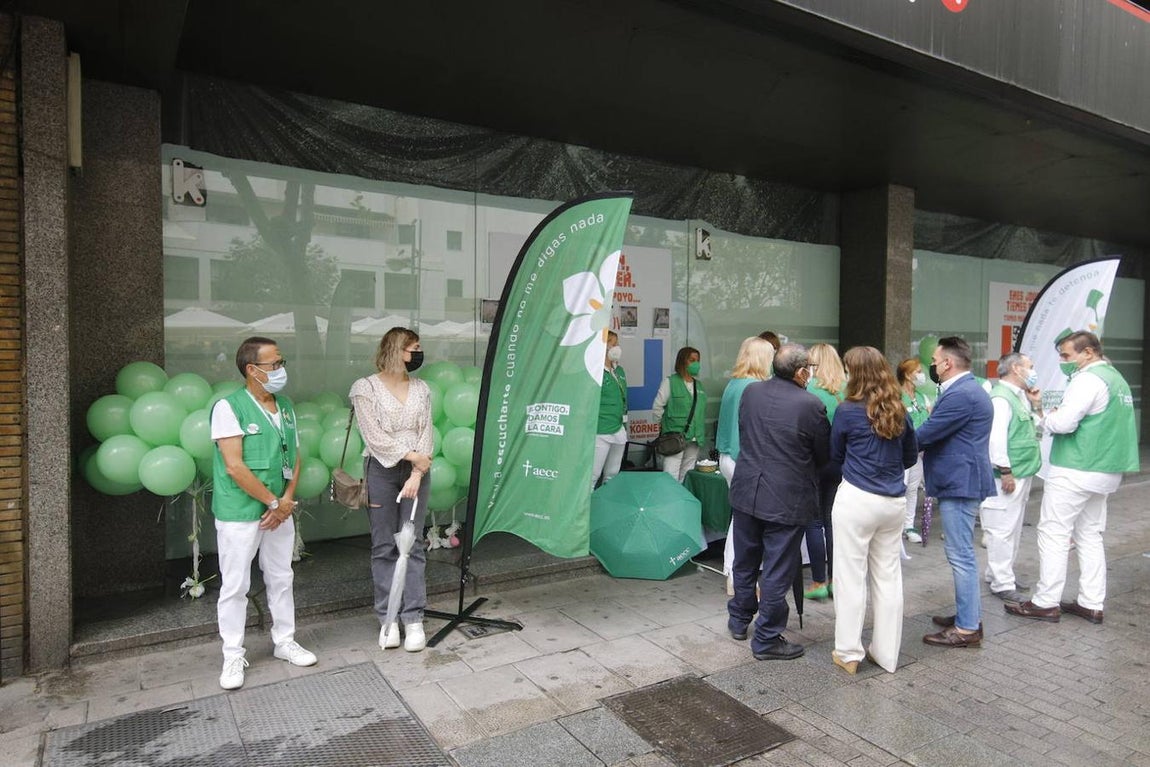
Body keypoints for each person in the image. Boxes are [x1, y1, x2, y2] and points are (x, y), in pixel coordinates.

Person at [1006, 331, 1139, 624]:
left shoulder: (1087, 380)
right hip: (1105, 469)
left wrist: (1045, 416)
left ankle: (1045, 601)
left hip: (1076, 467)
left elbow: (1064, 423)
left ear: (1088, 352)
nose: (1063, 361)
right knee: (1090, 535)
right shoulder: (1115, 378)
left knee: (1054, 532)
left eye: (1067, 355)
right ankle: (1091, 602)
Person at [211, 336, 317, 690]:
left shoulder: (284, 405)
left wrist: (286, 499)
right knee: (236, 584)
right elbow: (235, 467)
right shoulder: (229, 407)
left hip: (279, 509)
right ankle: (232, 655)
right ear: (252, 370)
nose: (281, 370)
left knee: (280, 576)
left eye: (282, 362)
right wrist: (274, 503)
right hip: (241, 511)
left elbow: (294, 455)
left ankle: (284, 641)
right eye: (275, 365)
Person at [727, 344, 830, 661]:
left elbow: (746, 434)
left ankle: (739, 619)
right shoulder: (811, 405)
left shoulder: (752, 393)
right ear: (801, 372)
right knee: (776, 569)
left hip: (748, 490)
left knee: (745, 561)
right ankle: (767, 638)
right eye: (809, 369)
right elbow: (824, 455)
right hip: (785, 499)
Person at [830, 346, 918, 674]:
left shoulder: (846, 411)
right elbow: (910, 457)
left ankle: (849, 653)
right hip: (893, 503)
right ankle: (887, 654)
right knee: (888, 578)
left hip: (856, 499)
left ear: (856, 374)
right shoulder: (900, 410)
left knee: (851, 577)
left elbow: (835, 454)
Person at [349, 327, 435, 652]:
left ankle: (413, 618)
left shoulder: (422, 388)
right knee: (384, 544)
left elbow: (427, 430)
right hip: (381, 471)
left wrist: (417, 471)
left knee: (412, 543)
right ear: (398, 350)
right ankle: (388, 618)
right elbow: (373, 436)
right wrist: (413, 457)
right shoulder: (365, 388)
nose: (418, 353)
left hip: (417, 472)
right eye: (414, 348)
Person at [915, 336, 996, 648]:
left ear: (948, 363)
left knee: (960, 555)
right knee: (962, 554)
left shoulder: (961, 394)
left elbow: (927, 433)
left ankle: (966, 628)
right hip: (960, 480)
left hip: (960, 483)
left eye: (935, 361)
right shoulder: (966, 390)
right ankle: (968, 614)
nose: (932, 365)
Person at [981, 352, 1042, 603]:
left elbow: (1035, 426)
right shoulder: (1000, 399)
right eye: (1030, 366)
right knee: (1000, 529)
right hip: (1006, 476)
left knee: (1012, 528)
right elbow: (995, 441)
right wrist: (1005, 471)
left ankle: (999, 573)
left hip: (1022, 472)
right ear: (1016, 369)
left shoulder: (1019, 397)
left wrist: (1036, 404)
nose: (1033, 371)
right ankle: (1001, 582)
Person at [716, 337, 775, 591]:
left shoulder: (734, 383)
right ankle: (738, 577)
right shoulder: (754, 387)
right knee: (746, 523)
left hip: (728, 456)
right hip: (745, 460)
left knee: (739, 520)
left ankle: (734, 573)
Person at [803, 343, 846, 600]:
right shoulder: (847, 390)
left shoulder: (809, 391)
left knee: (814, 522)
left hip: (813, 464)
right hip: (839, 464)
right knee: (832, 521)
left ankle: (819, 581)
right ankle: (836, 580)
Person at [652, 346, 707, 482]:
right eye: (692, 360)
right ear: (683, 361)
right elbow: (657, 407)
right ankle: (669, 502)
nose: (696, 363)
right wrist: (663, 426)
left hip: (695, 439)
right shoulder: (669, 382)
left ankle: (682, 502)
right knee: (670, 476)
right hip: (674, 438)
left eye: (698, 360)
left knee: (686, 475)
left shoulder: (699, 386)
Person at [897, 358, 931, 543]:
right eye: (917, 371)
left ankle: (908, 525)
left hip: (919, 452)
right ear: (907, 375)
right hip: (902, 451)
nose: (921, 375)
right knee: (900, 487)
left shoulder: (921, 397)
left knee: (912, 489)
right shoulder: (897, 396)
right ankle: (896, 525)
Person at [591, 331, 628, 490]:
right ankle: (585, 512)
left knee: (612, 475)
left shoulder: (619, 372)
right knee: (592, 475)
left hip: (619, 429)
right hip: (601, 429)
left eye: (617, 343)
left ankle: (607, 507)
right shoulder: (594, 370)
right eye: (612, 343)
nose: (616, 347)